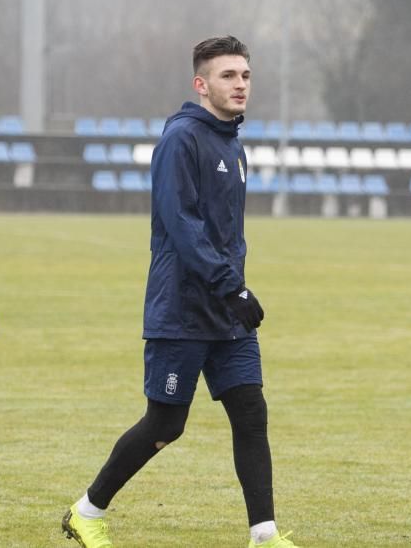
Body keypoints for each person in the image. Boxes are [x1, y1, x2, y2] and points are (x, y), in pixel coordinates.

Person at [62, 35, 298, 548]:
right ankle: (87, 511)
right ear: (201, 83)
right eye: (228, 76)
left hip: (225, 310)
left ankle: (264, 533)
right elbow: (182, 224)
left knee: (251, 412)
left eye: (246, 75)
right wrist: (230, 287)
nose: (240, 85)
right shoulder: (181, 140)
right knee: (165, 424)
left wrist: (233, 290)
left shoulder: (230, 142)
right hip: (184, 308)